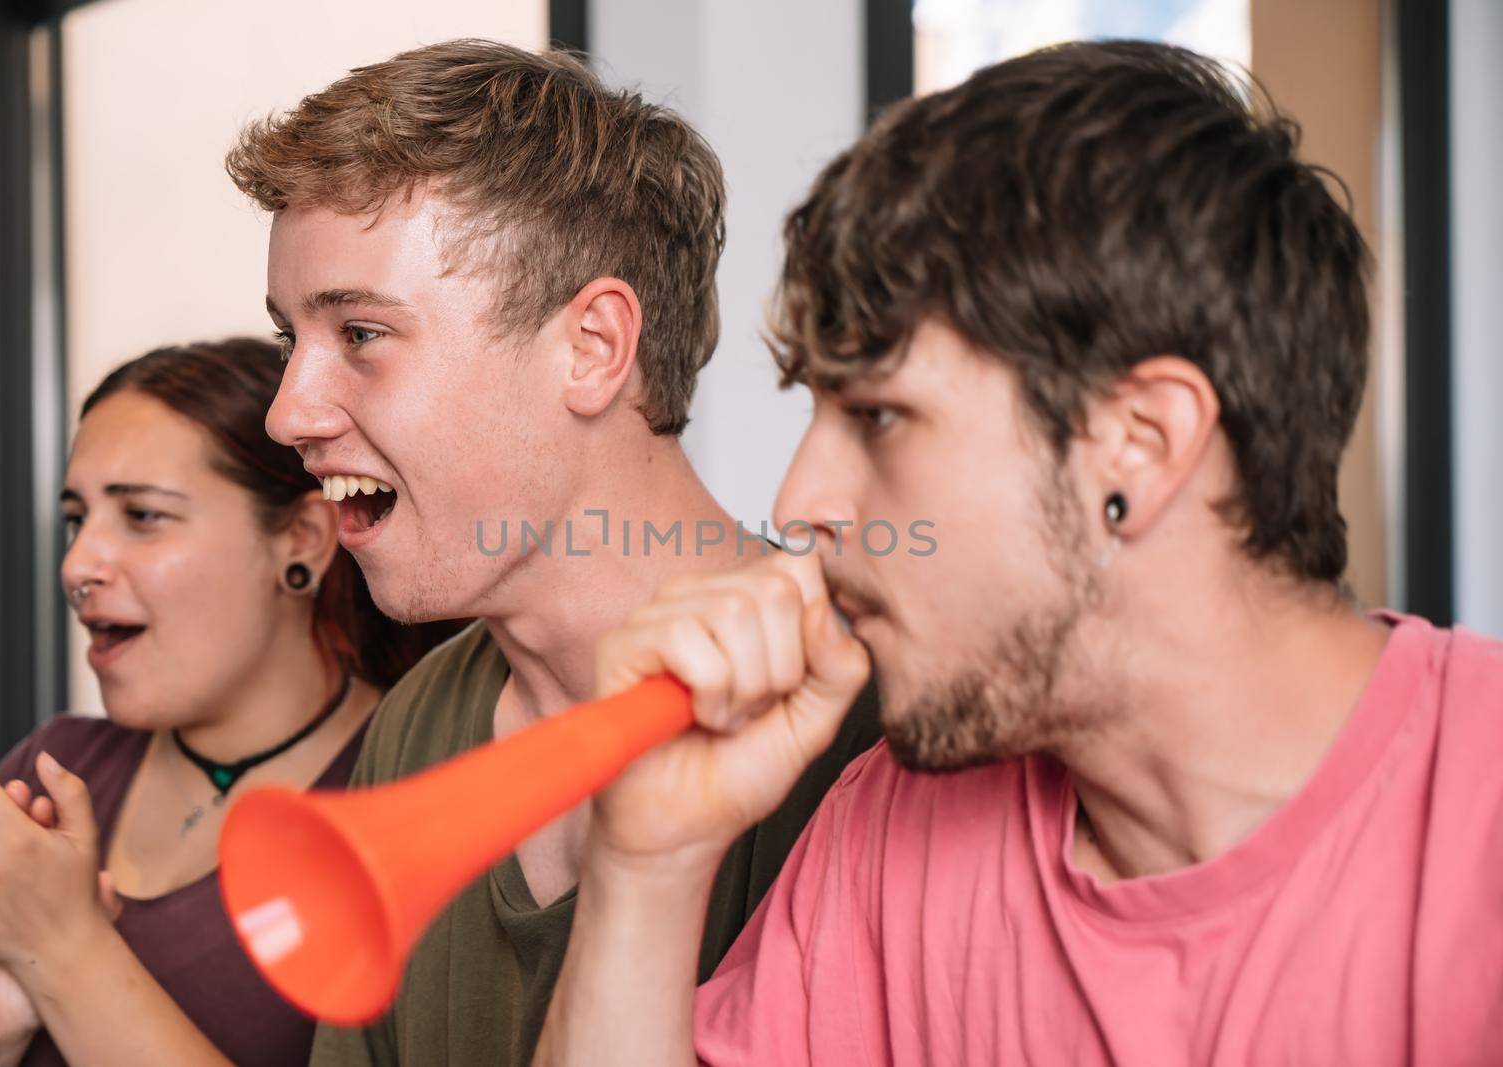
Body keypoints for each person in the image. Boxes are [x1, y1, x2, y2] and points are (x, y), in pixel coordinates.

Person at [534, 40, 1503, 1065]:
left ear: (1142, 443)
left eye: (879, 416)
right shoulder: (886, 827)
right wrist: (646, 868)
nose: (797, 505)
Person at [224, 39, 881, 1067]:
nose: (286, 413)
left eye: (359, 334)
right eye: (287, 342)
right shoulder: (420, 724)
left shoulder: (876, 720)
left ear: (591, 348)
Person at [0, 339, 459, 1067]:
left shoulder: (417, 778)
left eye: (142, 516)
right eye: (78, 519)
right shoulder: (46, 772)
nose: (77, 565)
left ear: (301, 538)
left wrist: (58, 945)